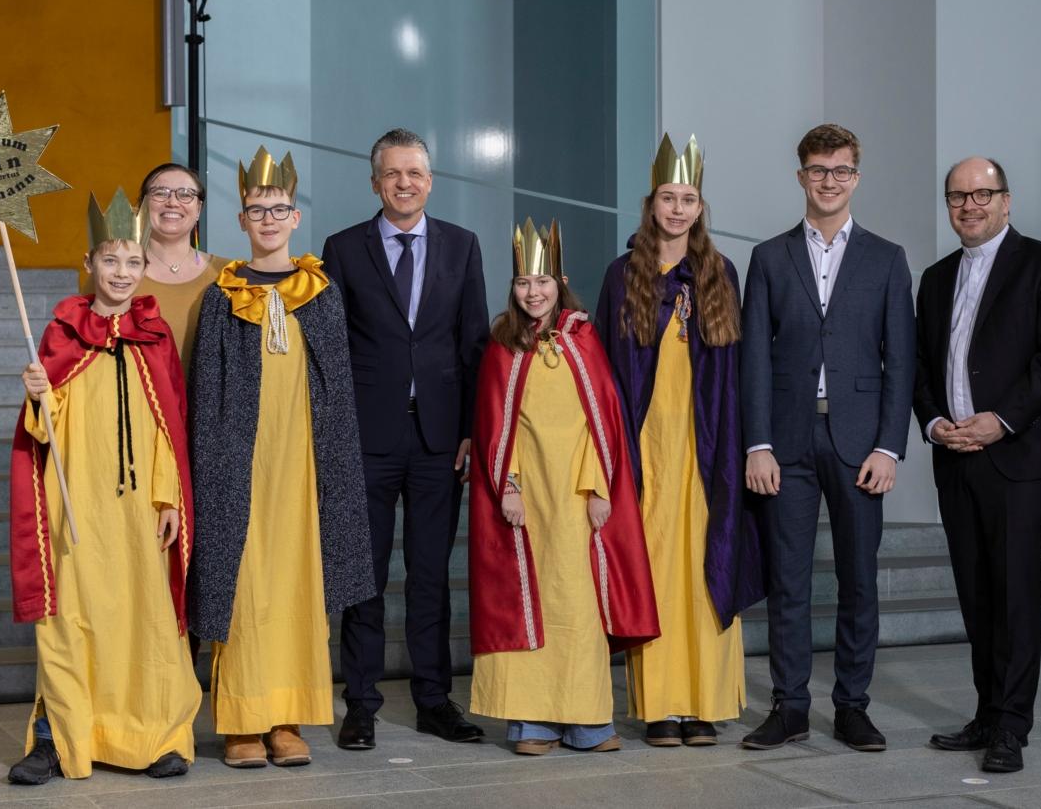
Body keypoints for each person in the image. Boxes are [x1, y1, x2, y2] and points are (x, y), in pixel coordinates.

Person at [187, 146, 373, 769]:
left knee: (298, 583)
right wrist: (211, 465)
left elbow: (339, 388)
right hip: (240, 465)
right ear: (240, 220)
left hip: (305, 466)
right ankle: (241, 718)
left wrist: (336, 467)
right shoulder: (222, 295)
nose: (268, 218)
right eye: (255, 209)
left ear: (296, 217)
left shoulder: (320, 292)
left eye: (279, 208)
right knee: (242, 586)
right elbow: (205, 391)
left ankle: (288, 718)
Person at [7, 190, 199, 784]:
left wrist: (169, 499)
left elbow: (171, 424)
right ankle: (59, 739)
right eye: (109, 261)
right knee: (71, 623)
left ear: (145, 266)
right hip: (79, 505)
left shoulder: (154, 333)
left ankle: (158, 736)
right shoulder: (64, 330)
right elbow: (44, 431)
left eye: (132, 262)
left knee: (148, 619)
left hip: (141, 511)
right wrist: (41, 394)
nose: (121, 273)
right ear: (89, 263)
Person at [739, 123, 915, 752]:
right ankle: (788, 706)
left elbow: (902, 361)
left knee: (858, 579)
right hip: (785, 443)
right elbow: (753, 357)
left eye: (841, 171)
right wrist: (755, 442)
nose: (830, 181)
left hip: (861, 443)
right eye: (819, 170)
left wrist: (889, 447)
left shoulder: (888, 258)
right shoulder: (767, 257)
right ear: (801, 176)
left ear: (856, 178)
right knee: (788, 580)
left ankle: (852, 707)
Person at [917, 157, 1041, 774]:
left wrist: (1001, 420)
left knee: (1015, 591)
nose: (970, 205)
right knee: (976, 590)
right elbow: (921, 366)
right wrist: (936, 423)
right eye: (958, 196)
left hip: (1017, 454)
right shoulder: (936, 279)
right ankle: (988, 712)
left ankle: (1012, 727)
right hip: (955, 454)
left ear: (1006, 201)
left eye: (982, 194)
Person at [321, 128, 490, 749]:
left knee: (429, 575)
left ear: (430, 179)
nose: (404, 183)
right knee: (360, 575)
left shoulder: (462, 246)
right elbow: (332, 351)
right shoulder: (343, 249)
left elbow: (474, 343)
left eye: (414, 173)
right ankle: (360, 703)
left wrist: (473, 429)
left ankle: (433, 699)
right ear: (374, 182)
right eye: (392, 174)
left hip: (441, 441)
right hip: (366, 437)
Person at [595, 134, 764, 747]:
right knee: (657, 568)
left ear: (700, 207)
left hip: (708, 448)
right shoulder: (624, 275)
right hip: (647, 448)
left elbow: (740, 370)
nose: (677, 209)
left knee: (705, 565)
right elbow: (609, 369)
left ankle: (706, 705)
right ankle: (662, 706)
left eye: (688, 199)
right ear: (652, 202)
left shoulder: (719, 274)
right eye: (668, 197)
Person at [467, 218, 659, 756]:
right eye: (524, 283)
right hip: (527, 500)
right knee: (526, 601)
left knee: (577, 605)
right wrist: (508, 485)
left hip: (578, 499)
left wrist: (600, 490)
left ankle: (587, 719)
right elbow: (495, 425)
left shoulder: (584, 339)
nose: (534, 292)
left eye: (543, 281)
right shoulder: (503, 346)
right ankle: (531, 722)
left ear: (560, 282)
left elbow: (603, 423)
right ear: (514, 288)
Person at [132, 162, 230, 375]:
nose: (173, 202)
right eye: (160, 193)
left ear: (199, 209)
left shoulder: (229, 276)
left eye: (185, 194)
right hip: (137, 405)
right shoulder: (113, 276)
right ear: (142, 205)